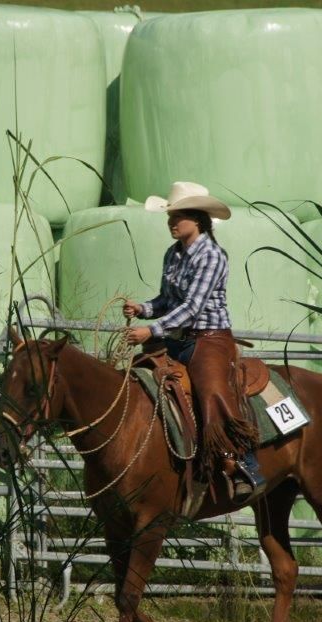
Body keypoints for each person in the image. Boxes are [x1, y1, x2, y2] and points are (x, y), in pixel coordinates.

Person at [122, 181, 266, 500]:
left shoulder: (212, 256)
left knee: (213, 393)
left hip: (210, 340)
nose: (172, 222)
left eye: (179, 216)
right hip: (177, 339)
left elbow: (191, 308)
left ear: (198, 219)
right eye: (170, 216)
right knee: (137, 378)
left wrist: (150, 331)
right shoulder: (173, 255)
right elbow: (166, 299)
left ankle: (243, 464)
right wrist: (143, 309)